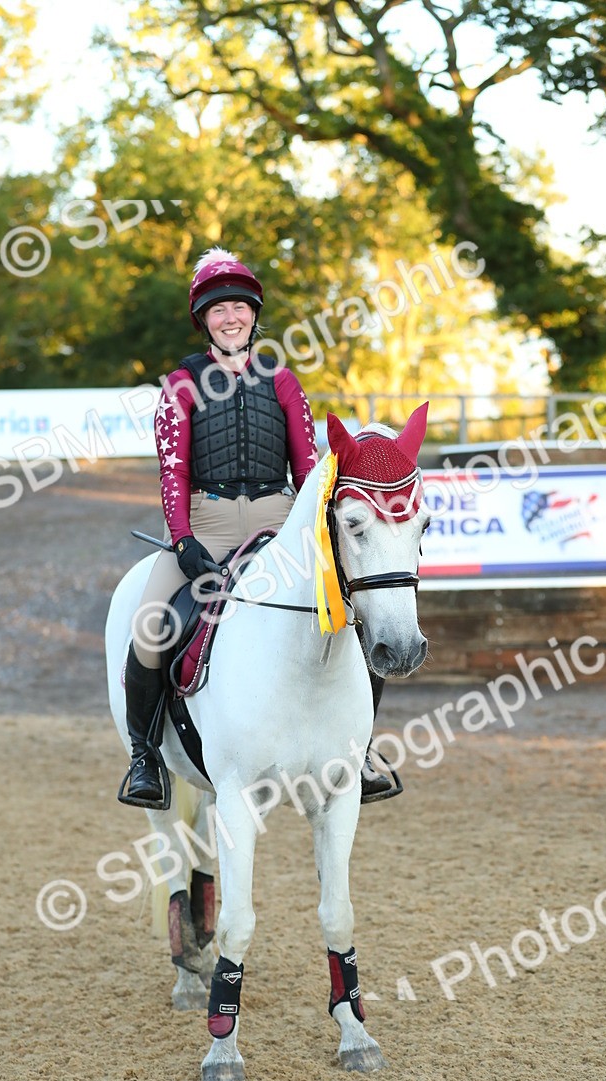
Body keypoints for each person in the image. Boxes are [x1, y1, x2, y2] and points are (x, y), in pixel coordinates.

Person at [121, 248, 397, 805]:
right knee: (150, 628)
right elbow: (171, 471)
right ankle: (145, 757)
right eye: (218, 310)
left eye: (239, 308)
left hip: (279, 518)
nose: (230, 318)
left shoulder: (284, 382)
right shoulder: (180, 385)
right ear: (204, 320)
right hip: (208, 520)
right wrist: (183, 540)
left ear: (253, 315)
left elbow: (309, 469)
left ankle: (358, 747)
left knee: (363, 615)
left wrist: (316, 534)